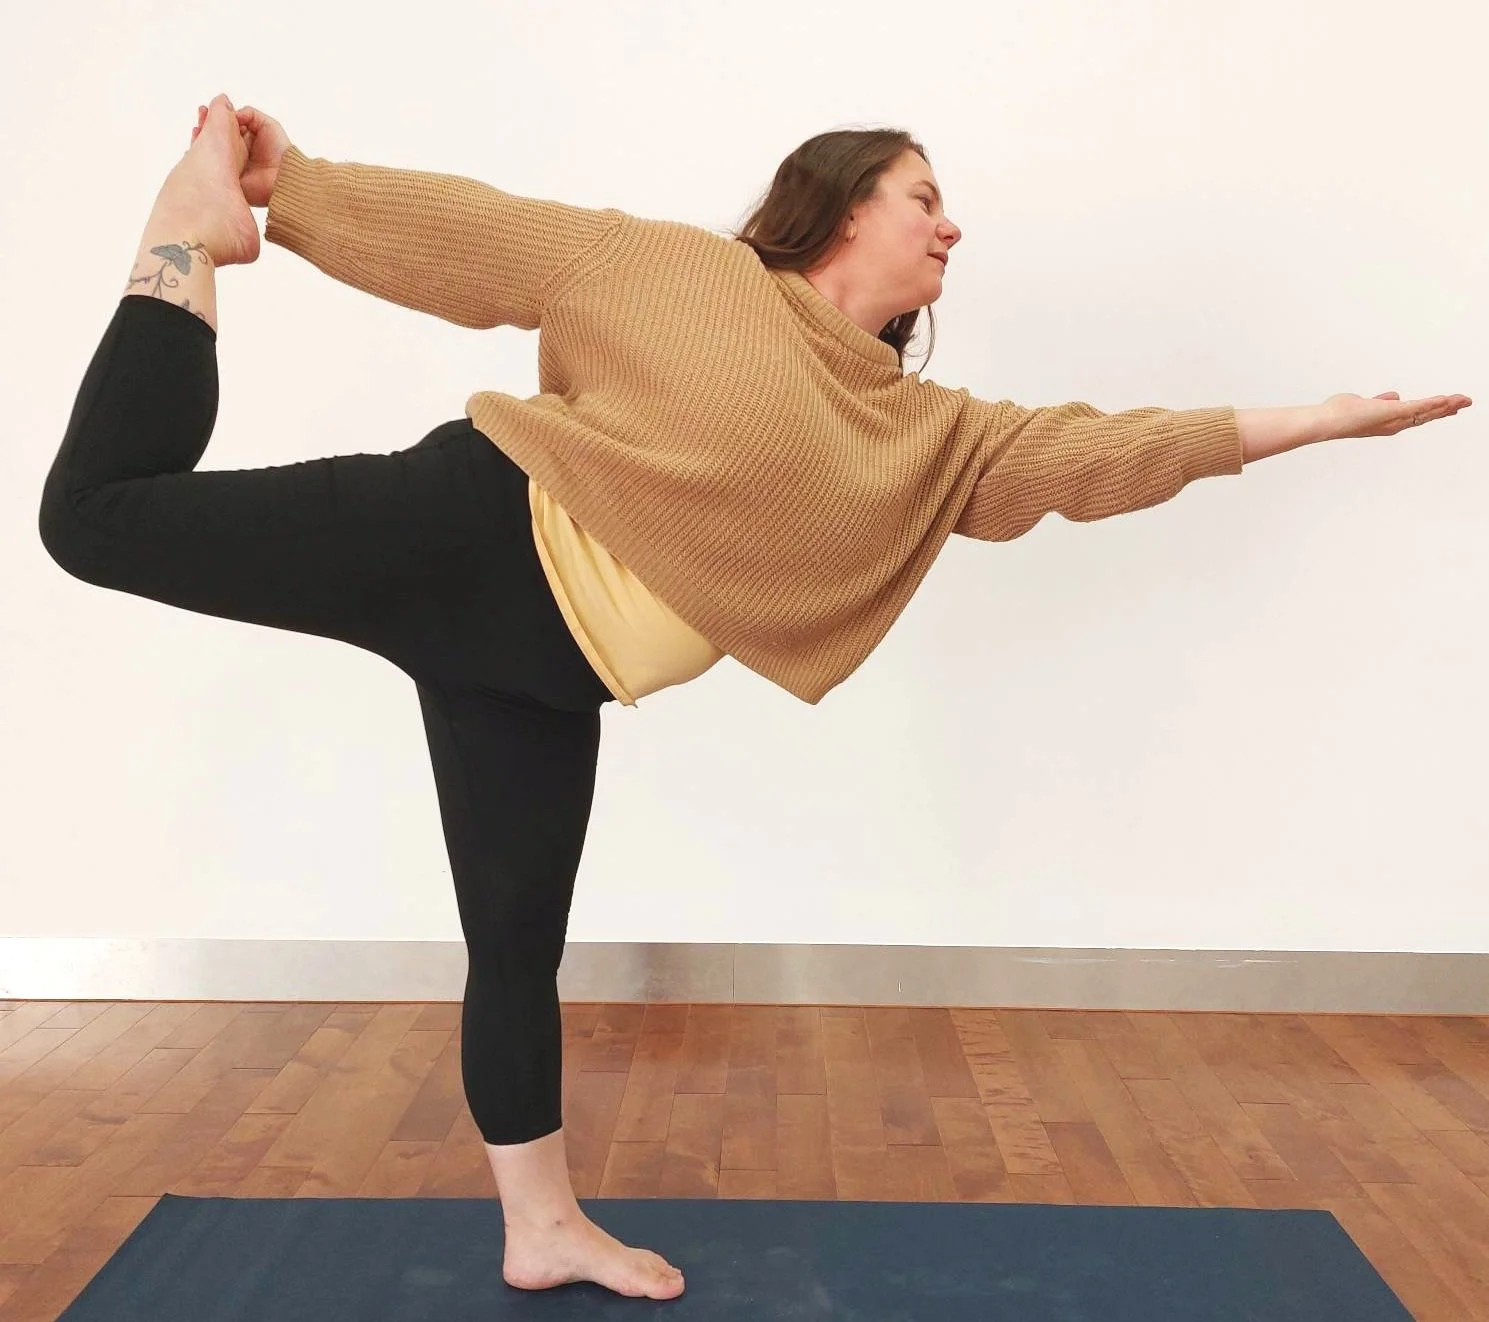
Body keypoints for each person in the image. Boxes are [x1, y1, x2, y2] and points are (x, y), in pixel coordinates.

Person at [37, 94, 1470, 1302]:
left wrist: (1303, 426)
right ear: (845, 206)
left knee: (517, 940)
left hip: (544, 673)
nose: (950, 224)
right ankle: (180, 232)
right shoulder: (688, 276)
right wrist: (291, 192)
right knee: (94, 517)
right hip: (466, 534)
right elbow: (481, 242)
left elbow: (1102, 455)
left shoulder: (927, 435)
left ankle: (540, 1229)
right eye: (926, 197)